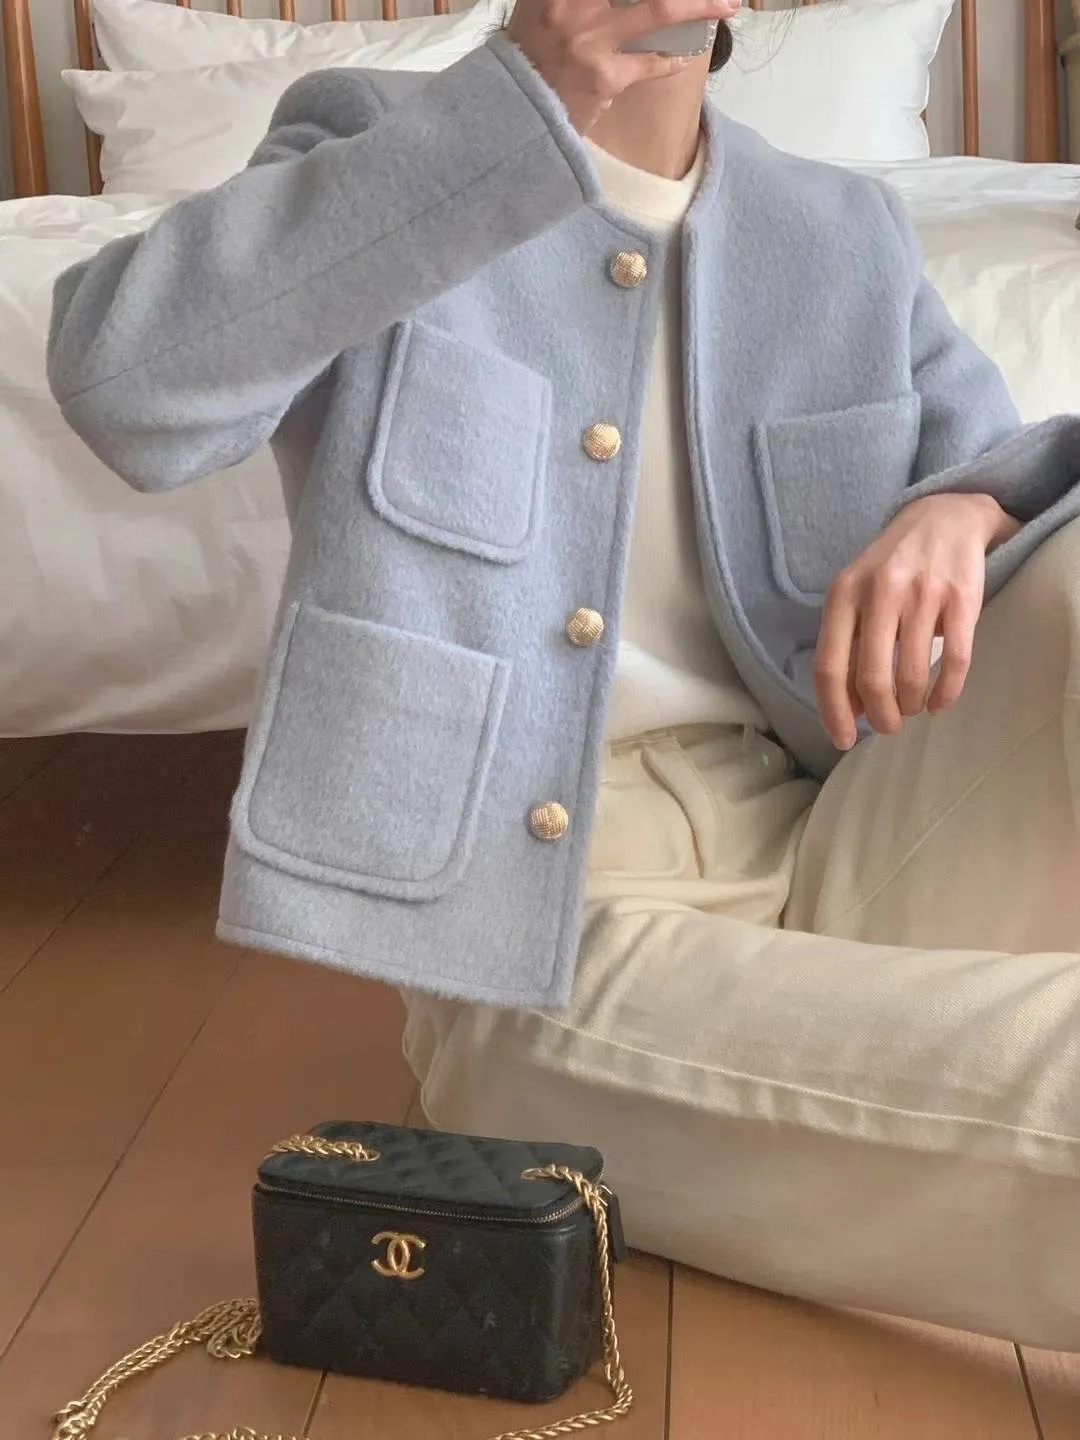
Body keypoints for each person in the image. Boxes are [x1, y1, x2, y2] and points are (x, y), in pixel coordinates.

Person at [47, 0, 1080, 1352]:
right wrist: (513, 101)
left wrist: (969, 502)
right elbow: (125, 387)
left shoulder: (841, 228)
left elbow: (1016, 484)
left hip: (853, 837)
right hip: (545, 936)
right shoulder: (383, 147)